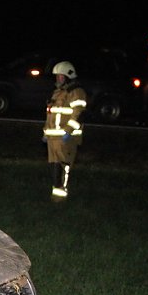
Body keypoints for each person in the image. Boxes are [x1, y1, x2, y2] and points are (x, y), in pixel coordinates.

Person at [42, 61, 86, 201]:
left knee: (64, 165)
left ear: (68, 76)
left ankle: (61, 196)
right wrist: (45, 132)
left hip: (66, 137)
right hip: (53, 137)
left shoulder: (76, 92)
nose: (58, 79)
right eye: (57, 77)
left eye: (61, 76)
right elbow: (51, 114)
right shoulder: (57, 92)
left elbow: (78, 114)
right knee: (55, 165)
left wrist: (68, 131)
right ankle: (55, 193)